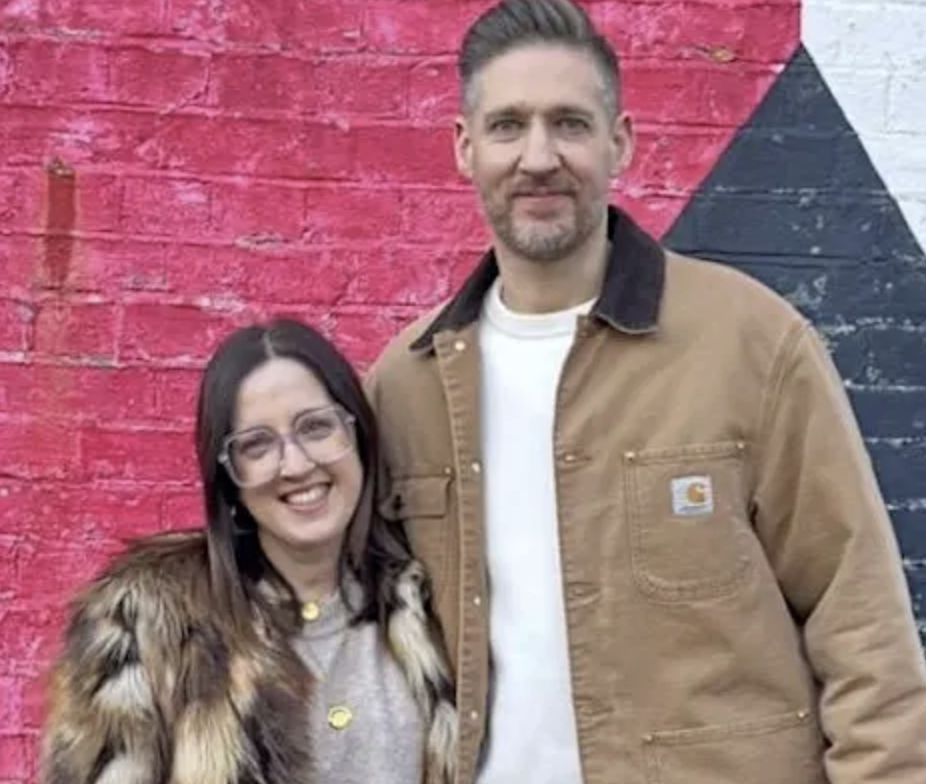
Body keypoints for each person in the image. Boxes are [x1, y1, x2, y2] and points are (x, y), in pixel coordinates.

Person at [364, 1, 926, 782]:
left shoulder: (750, 342)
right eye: (507, 126)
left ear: (618, 140)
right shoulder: (407, 382)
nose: (537, 157)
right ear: (465, 148)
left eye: (569, 123)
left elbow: (861, 623)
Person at [38, 318, 457, 784]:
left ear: (357, 435)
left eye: (316, 427)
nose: (296, 464)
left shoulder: (432, 609)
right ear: (229, 478)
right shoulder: (145, 626)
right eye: (257, 445)